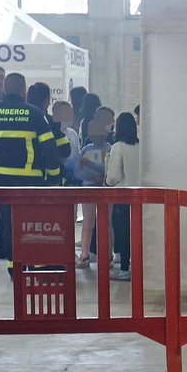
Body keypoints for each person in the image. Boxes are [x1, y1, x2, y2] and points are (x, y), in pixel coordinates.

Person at [0, 72, 61, 261]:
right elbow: (49, 148)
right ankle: (34, 261)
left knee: (8, 223)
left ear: (5, 89)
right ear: (23, 91)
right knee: (31, 223)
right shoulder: (35, 114)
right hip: (31, 181)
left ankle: (13, 264)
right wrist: (54, 178)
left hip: (1, 181)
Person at [105, 111, 140, 281]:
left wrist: (107, 183)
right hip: (141, 197)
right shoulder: (141, 146)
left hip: (122, 196)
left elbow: (113, 176)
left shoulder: (117, 147)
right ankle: (138, 267)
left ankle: (124, 269)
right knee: (137, 233)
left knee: (123, 233)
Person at [71, 116, 111, 267]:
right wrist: (92, 176)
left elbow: (109, 170)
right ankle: (85, 254)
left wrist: (94, 169)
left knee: (106, 223)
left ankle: (107, 256)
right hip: (88, 189)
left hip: (105, 190)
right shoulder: (85, 150)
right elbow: (77, 171)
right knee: (88, 222)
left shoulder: (109, 149)